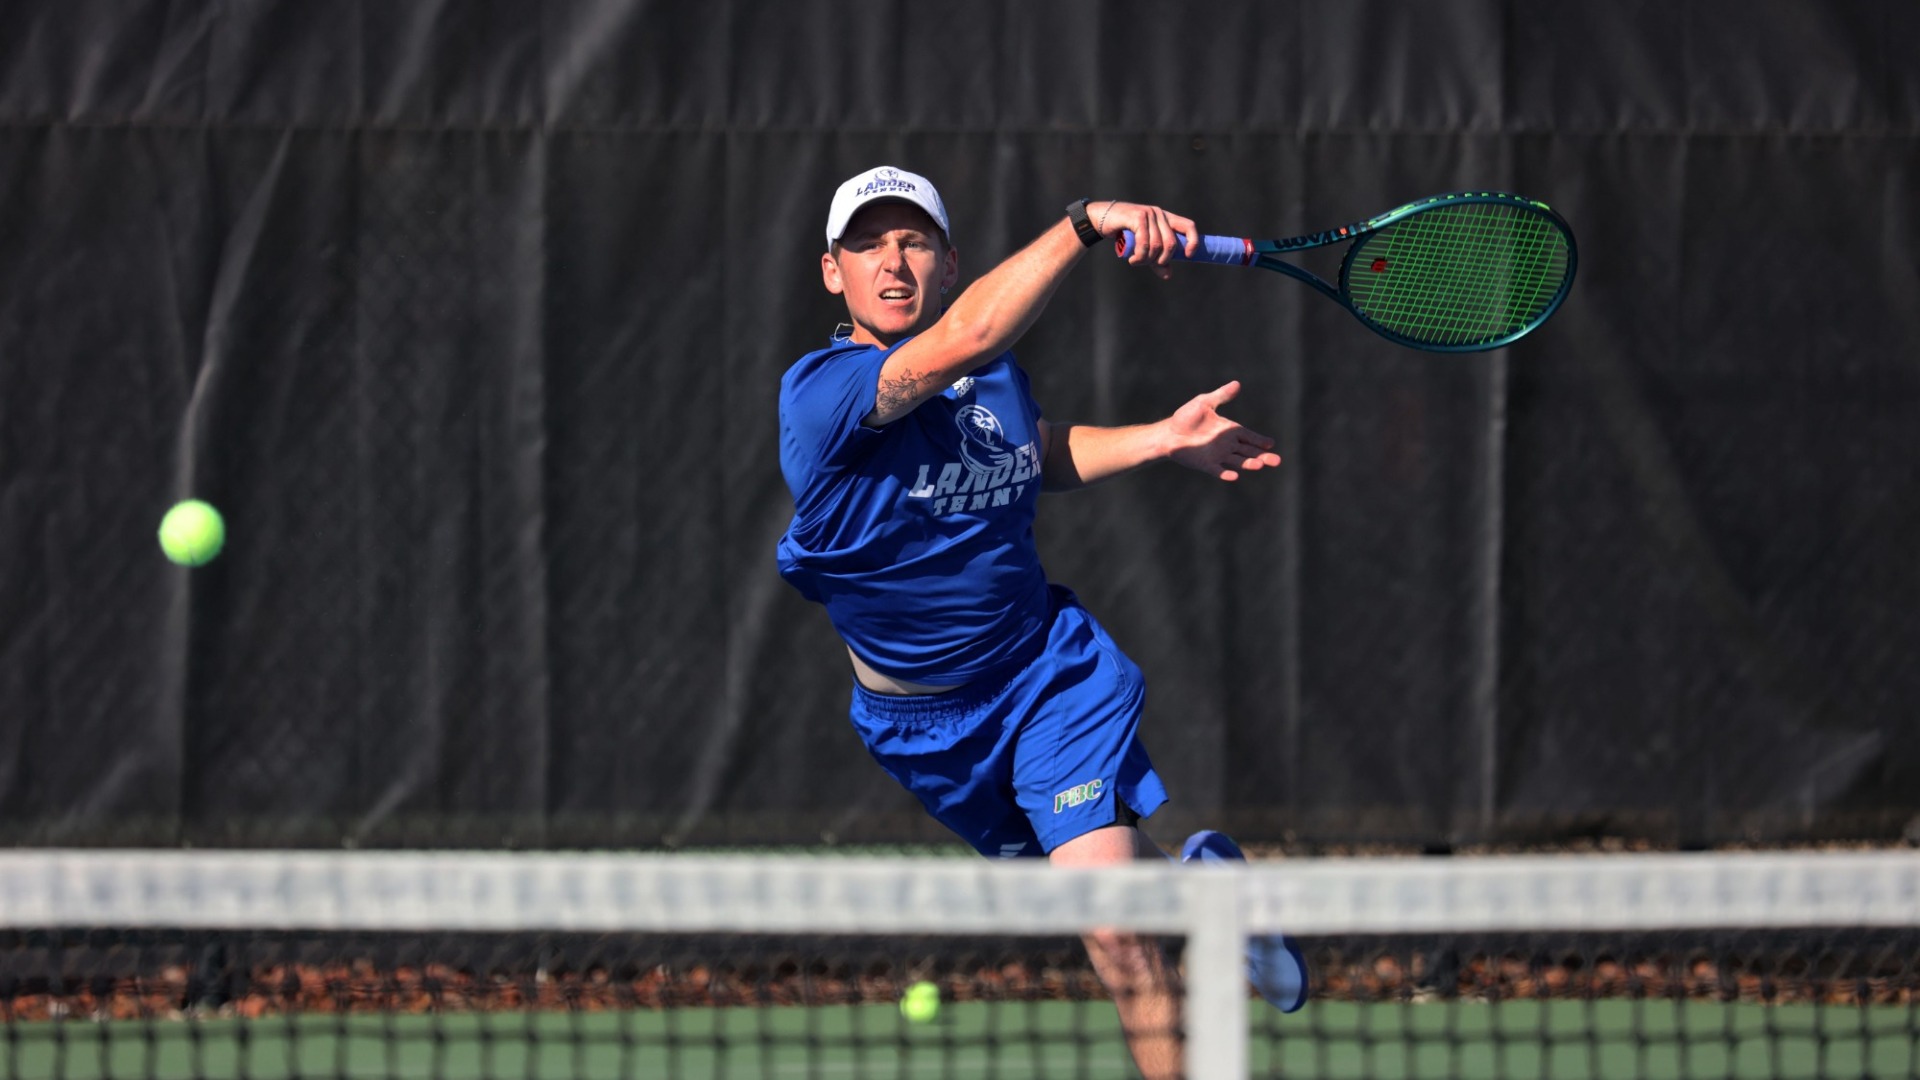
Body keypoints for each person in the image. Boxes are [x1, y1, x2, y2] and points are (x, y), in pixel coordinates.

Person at [775, 165, 1305, 1079]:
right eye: (868, 245)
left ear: (950, 262)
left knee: (1111, 928)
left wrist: (1161, 440)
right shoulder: (822, 393)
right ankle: (1205, 894)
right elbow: (965, 337)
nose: (892, 263)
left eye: (914, 242)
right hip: (919, 727)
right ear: (834, 272)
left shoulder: (992, 375)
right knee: (1114, 893)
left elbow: (1034, 451)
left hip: (1045, 675)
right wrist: (1087, 221)